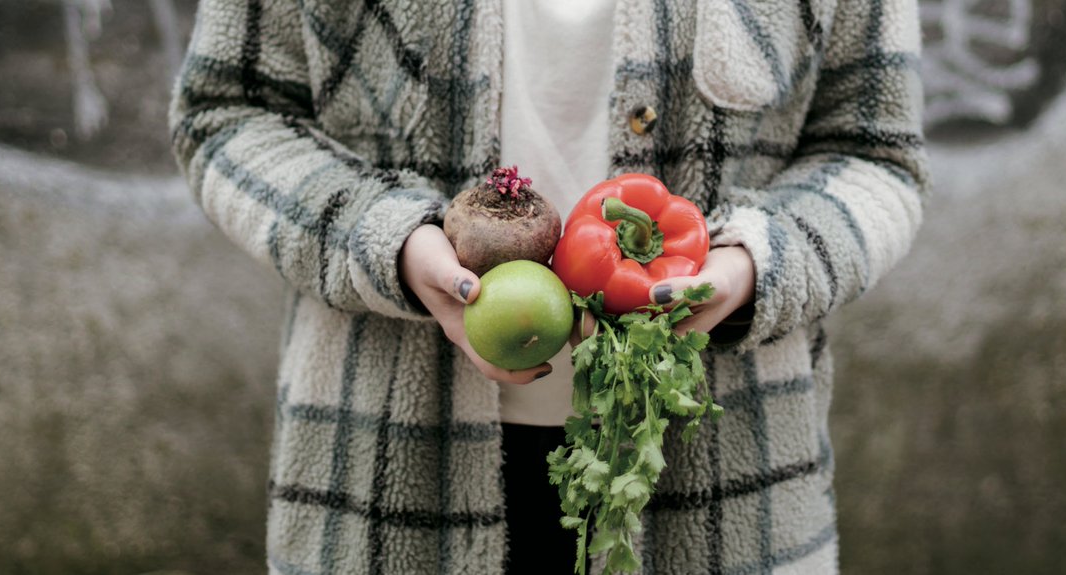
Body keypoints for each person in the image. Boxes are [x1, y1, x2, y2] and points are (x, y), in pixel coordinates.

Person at [169, 0, 928, 573]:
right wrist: (385, 240)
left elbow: (876, 155)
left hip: (727, 477)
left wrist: (757, 265)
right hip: (378, 454)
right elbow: (225, 112)